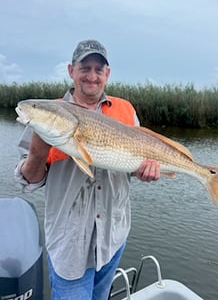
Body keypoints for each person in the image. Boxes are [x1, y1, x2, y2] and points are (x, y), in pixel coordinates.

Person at [14, 39, 160, 300]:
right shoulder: (49, 114)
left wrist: (143, 170)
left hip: (112, 239)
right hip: (71, 246)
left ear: (107, 74)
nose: (92, 76)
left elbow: (129, 164)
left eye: (98, 69)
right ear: (71, 71)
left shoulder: (125, 110)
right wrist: (38, 149)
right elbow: (30, 181)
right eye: (85, 68)